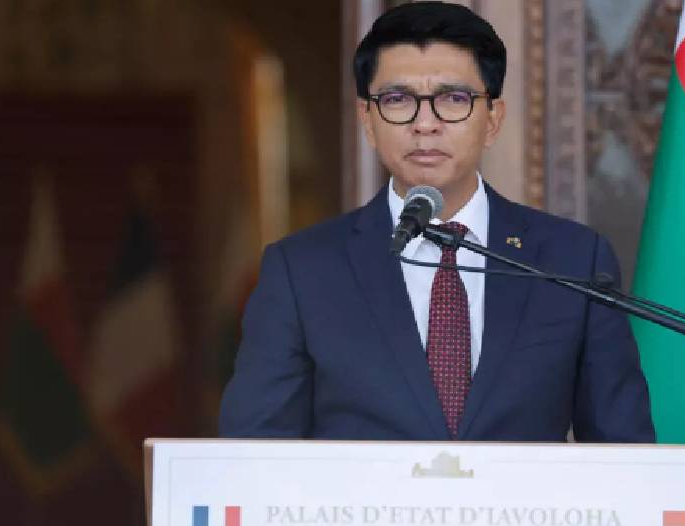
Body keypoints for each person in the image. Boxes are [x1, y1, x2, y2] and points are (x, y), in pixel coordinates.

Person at [219, 1, 654, 442]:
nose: (425, 124)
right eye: (397, 100)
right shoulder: (302, 271)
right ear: (367, 121)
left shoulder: (572, 261)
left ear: (492, 120)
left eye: (453, 99)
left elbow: (624, 453)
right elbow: (254, 454)